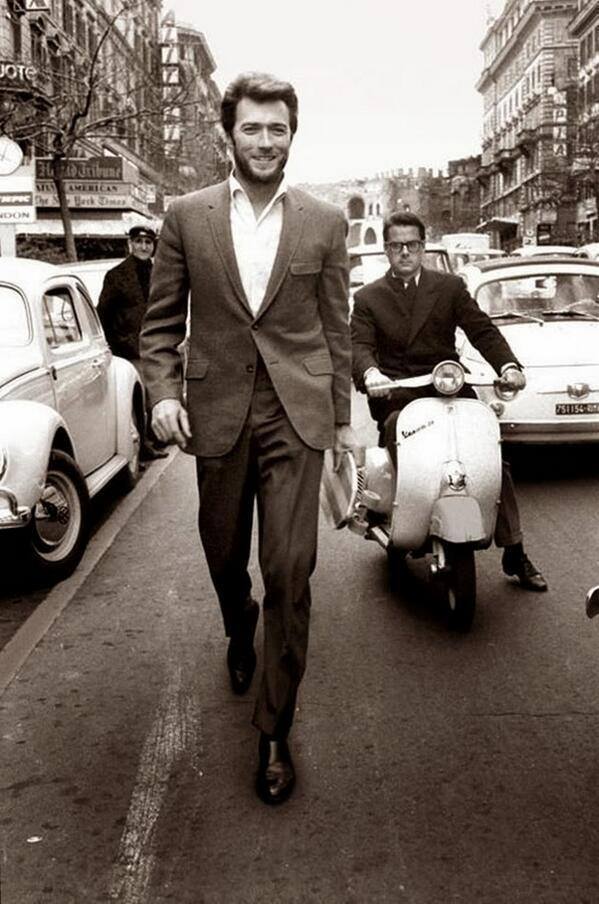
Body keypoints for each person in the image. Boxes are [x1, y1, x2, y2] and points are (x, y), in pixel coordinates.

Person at [140, 72, 355, 805]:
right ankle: (239, 624)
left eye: (278, 130)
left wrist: (346, 425)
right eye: (252, 129)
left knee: (291, 569)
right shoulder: (186, 217)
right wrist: (164, 396)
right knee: (224, 550)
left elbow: (335, 330)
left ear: (292, 135)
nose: (266, 141)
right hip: (219, 414)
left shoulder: (325, 222)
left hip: (296, 418)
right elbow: (162, 325)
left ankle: (273, 730)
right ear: (227, 134)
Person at [350, 211, 547, 593]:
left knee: (491, 456)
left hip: (449, 388)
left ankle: (515, 550)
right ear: (386, 250)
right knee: (400, 444)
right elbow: (359, 346)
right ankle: (400, 522)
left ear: (423, 247)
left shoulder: (450, 287)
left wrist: (507, 365)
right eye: (396, 246)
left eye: (412, 245)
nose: (404, 252)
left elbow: (481, 330)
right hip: (399, 394)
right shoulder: (369, 297)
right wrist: (372, 374)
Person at [97, 225, 168, 461]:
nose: (143, 246)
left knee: (154, 395)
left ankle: (153, 439)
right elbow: (104, 313)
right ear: (130, 244)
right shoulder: (116, 275)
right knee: (138, 397)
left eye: (148, 243)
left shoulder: (160, 273)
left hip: (154, 345)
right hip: (128, 348)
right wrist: (114, 343)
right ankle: (144, 445)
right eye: (139, 241)